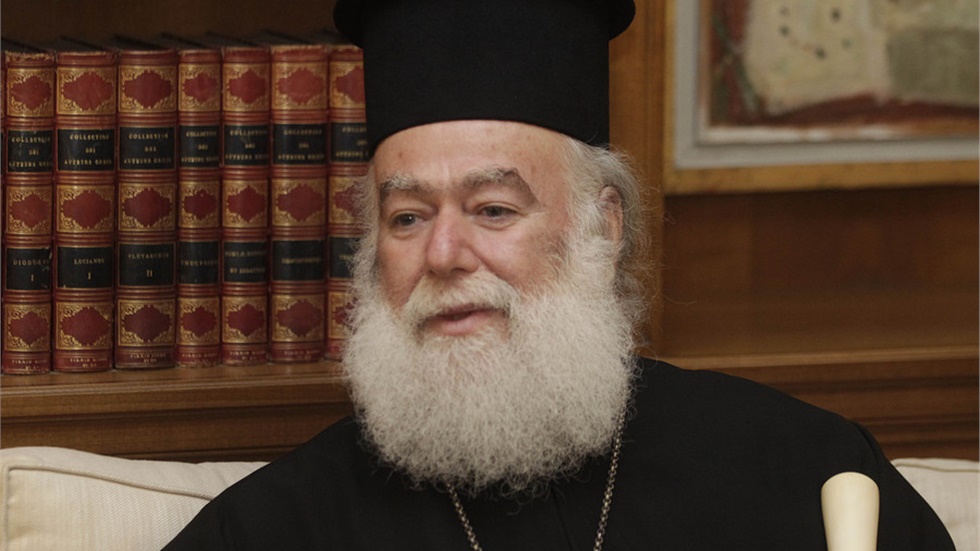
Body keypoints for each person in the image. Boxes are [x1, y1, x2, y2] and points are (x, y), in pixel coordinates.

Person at [163, 0, 954, 549]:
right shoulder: (270, 529)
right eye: (407, 217)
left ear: (602, 229)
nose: (442, 253)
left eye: (494, 208)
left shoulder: (803, 468)